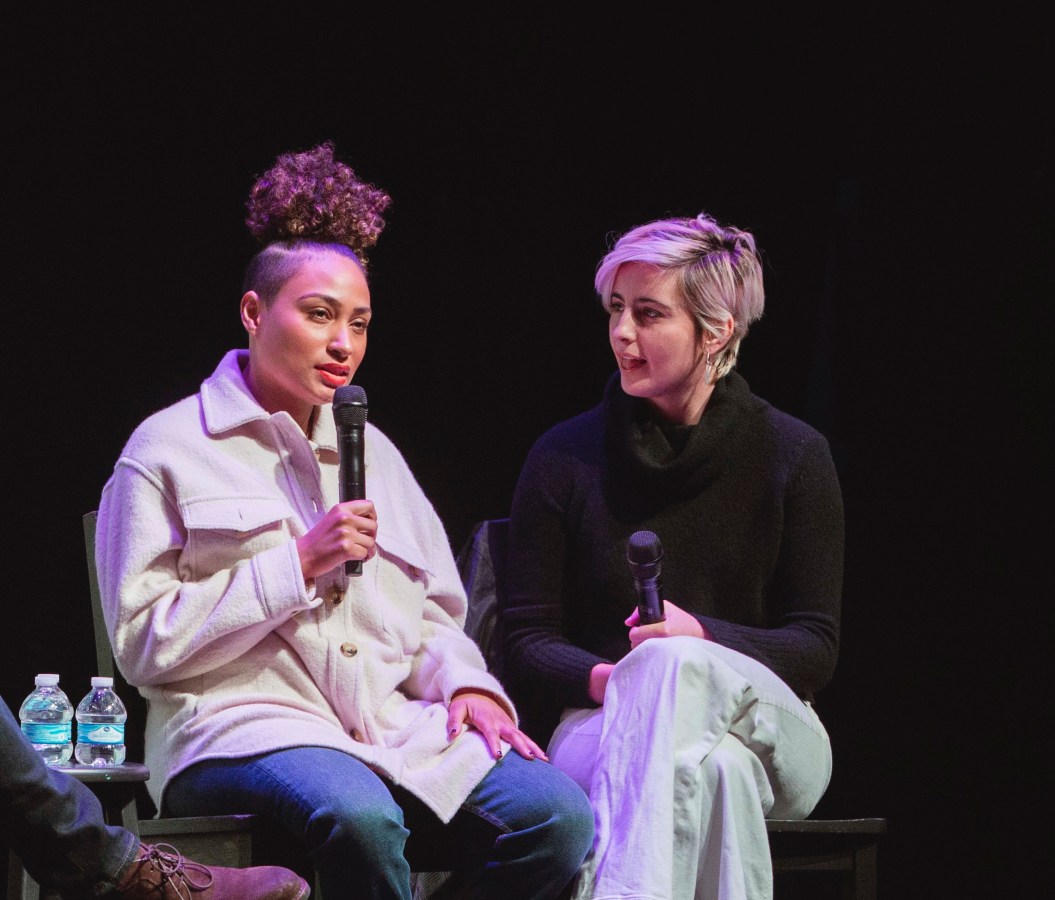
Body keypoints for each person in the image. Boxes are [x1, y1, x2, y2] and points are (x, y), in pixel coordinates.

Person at [94, 142, 593, 900]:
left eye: (359, 324)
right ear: (254, 311)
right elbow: (140, 645)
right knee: (360, 815)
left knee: (556, 818)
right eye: (320, 314)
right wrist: (294, 564)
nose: (343, 345)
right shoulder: (168, 448)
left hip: (388, 731)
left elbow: (433, 612)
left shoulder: (376, 453)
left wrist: (466, 684)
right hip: (236, 728)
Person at [499, 212, 844, 900]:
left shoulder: (792, 455)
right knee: (715, 773)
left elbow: (814, 646)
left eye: (648, 314)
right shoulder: (563, 457)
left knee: (676, 660)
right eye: (615, 310)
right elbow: (527, 639)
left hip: (775, 731)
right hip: (602, 725)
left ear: (715, 331)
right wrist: (625, 680)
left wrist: (702, 640)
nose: (622, 333)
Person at [1, 698, 309, 899]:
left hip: (319, 725)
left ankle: (107, 859)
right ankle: (107, 862)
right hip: (219, 721)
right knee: (349, 811)